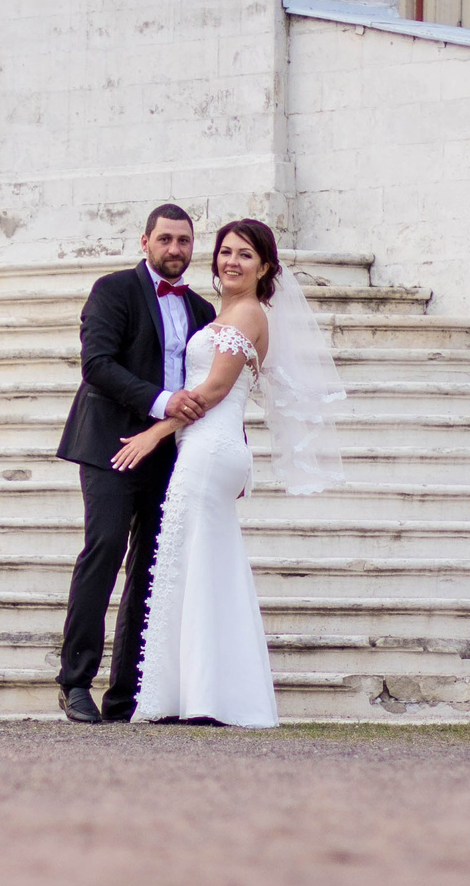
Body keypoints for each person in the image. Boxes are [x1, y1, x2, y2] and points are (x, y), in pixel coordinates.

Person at [114, 217, 347, 728]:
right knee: (202, 564)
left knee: (196, 564)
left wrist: (154, 434)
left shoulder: (247, 313)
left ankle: (206, 696)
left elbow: (216, 389)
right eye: (225, 251)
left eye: (245, 254)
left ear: (264, 267)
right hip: (208, 446)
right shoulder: (226, 312)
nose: (232, 261)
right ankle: (200, 693)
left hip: (209, 446)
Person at [53, 204, 214, 723]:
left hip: (170, 452)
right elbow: (97, 364)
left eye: (183, 240)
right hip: (111, 445)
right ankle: (75, 682)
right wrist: (162, 402)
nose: (175, 249)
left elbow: (216, 387)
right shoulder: (114, 290)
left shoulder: (203, 311)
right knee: (103, 551)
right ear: (145, 242)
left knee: (151, 567)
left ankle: (126, 695)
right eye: (165, 239)